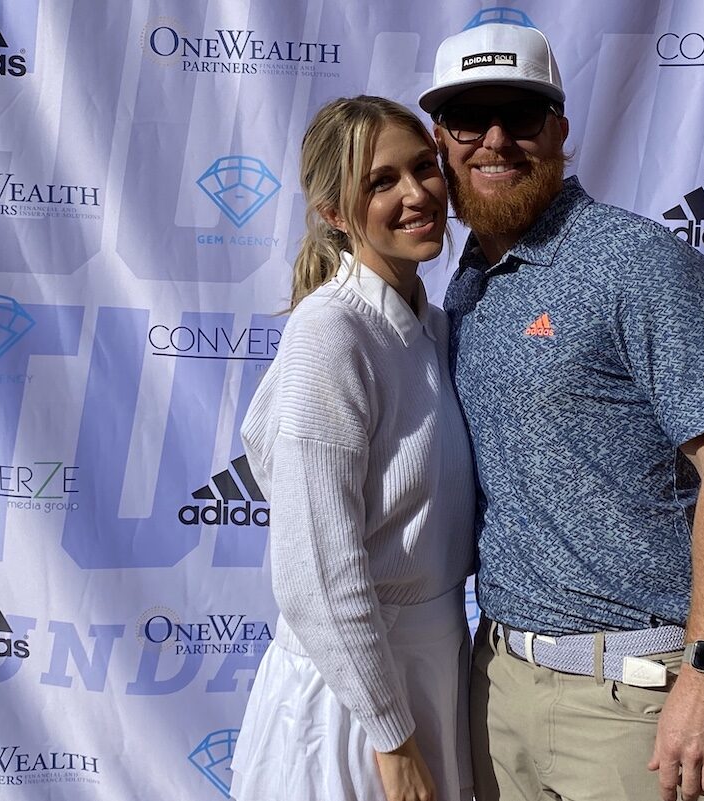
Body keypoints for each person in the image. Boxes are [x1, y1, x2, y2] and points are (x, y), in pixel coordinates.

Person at [418, 23, 704, 801]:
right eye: (471, 120)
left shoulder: (641, 264)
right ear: (441, 140)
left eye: (523, 114)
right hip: (497, 687)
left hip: (634, 705)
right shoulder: (467, 281)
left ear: (561, 129)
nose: (497, 141)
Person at [229, 95, 475, 801]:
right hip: (354, 704)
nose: (417, 194)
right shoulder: (330, 333)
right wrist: (392, 739)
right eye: (381, 182)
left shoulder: (433, 327)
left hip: (430, 670)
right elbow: (316, 574)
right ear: (335, 212)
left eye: (424, 169)